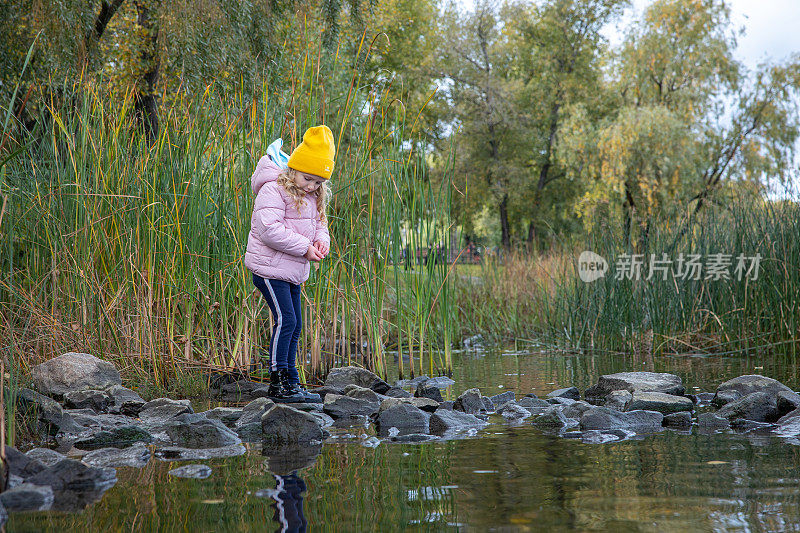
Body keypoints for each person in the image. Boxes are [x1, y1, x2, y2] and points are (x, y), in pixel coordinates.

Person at [244, 125, 335, 403]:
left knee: (295, 325)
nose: (312, 186)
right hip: (269, 268)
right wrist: (305, 248)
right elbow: (269, 229)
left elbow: (320, 225)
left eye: (318, 182)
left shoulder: (312, 197)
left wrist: (321, 242)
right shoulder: (273, 189)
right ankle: (278, 383)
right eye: (308, 179)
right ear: (293, 169)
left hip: (292, 269)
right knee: (287, 320)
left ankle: (292, 382)